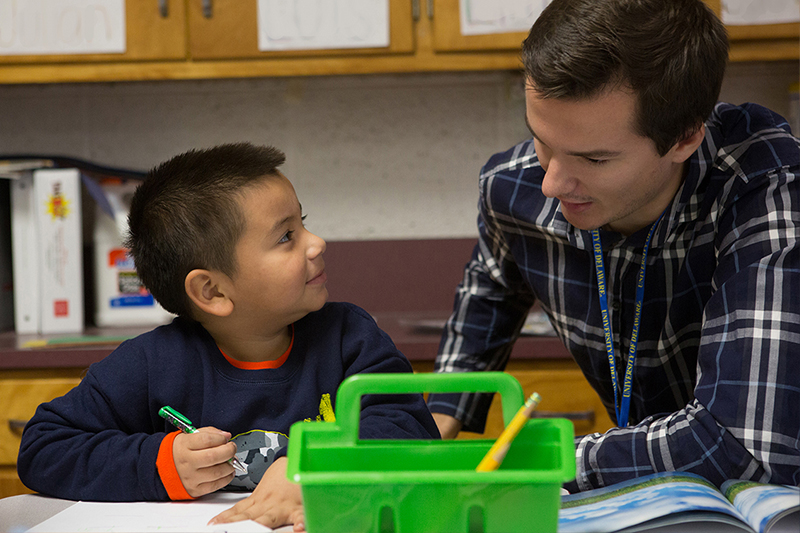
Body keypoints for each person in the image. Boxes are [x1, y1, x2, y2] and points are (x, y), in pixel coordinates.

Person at [428, 0, 800, 493]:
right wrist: (439, 418)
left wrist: (547, 461)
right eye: (541, 140)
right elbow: (491, 288)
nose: (552, 184)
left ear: (685, 138)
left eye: (595, 159)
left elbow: (745, 449)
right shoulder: (511, 190)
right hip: (651, 492)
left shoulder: (768, 188)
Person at [17, 142, 440, 530]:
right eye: (287, 236)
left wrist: (317, 467)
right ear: (213, 292)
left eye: (303, 222)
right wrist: (160, 465)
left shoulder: (351, 338)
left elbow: (411, 430)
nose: (316, 243)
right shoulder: (150, 365)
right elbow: (43, 448)